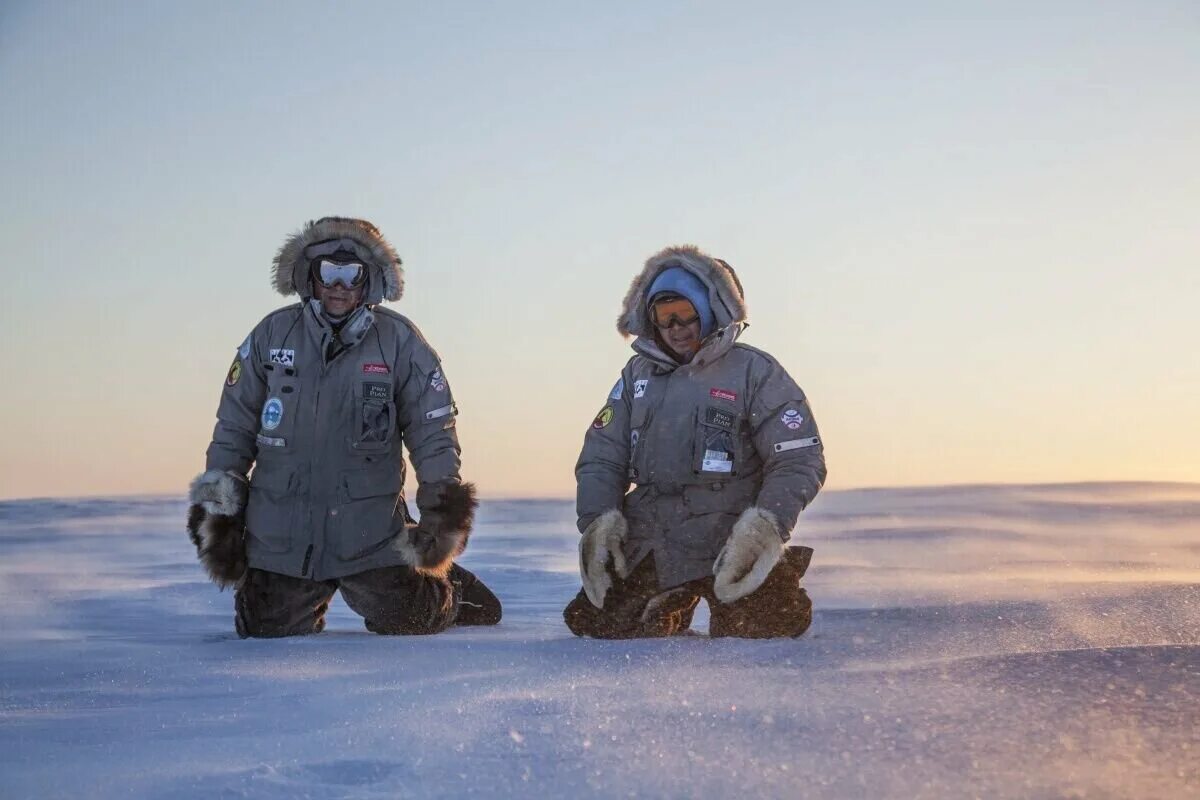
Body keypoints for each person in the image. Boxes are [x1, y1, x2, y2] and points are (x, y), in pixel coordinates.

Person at [187, 216, 501, 637]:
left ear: (368, 281)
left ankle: (447, 589)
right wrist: (219, 508)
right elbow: (234, 425)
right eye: (328, 272)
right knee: (264, 632)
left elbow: (433, 431)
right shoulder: (271, 335)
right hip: (281, 533)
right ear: (309, 277)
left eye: (351, 274)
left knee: (410, 619)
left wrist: (440, 512)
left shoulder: (400, 342)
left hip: (369, 533)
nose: (339, 284)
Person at [564, 245, 825, 639]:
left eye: (686, 314)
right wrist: (599, 521)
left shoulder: (755, 371)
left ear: (710, 311)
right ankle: (665, 598)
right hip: (654, 535)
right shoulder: (638, 376)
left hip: (729, 538)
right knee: (595, 622)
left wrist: (763, 529)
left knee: (768, 625)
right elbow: (602, 456)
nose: (676, 327)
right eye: (664, 317)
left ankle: (774, 574)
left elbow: (798, 458)